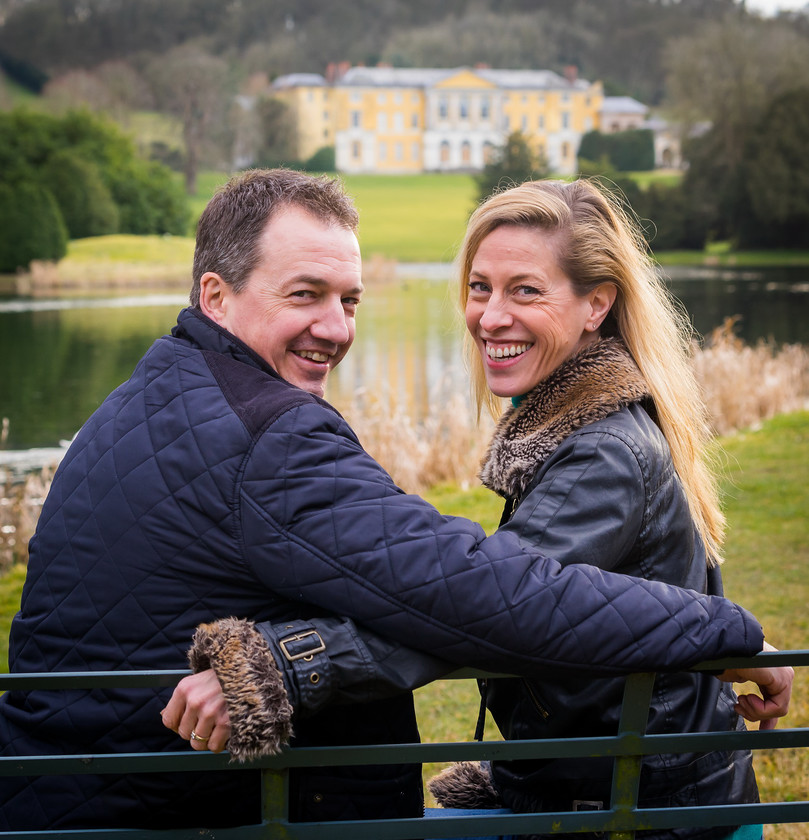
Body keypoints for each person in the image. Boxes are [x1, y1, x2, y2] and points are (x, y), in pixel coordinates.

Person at [0, 170, 789, 833]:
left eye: (349, 300)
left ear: (597, 306)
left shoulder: (144, 397)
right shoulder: (266, 433)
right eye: (306, 294)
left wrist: (285, 664)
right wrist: (721, 626)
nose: (335, 329)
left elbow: (479, 595)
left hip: (641, 800)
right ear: (215, 295)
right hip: (162, 808)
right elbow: (474, 595)